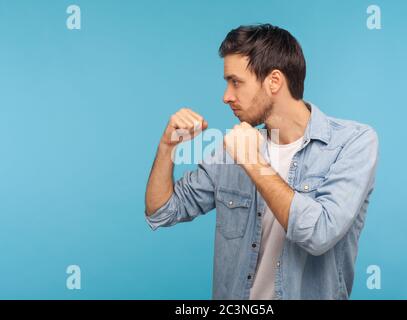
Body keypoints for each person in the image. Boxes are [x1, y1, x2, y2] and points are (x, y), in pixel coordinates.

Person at [144, 24, 379, 300]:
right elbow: (162, 211)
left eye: (236, 82)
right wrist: (166, 148)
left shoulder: (353, 143)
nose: (226, 96)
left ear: (274, 82)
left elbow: (319, 234)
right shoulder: (231, 149)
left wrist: (252, 162)